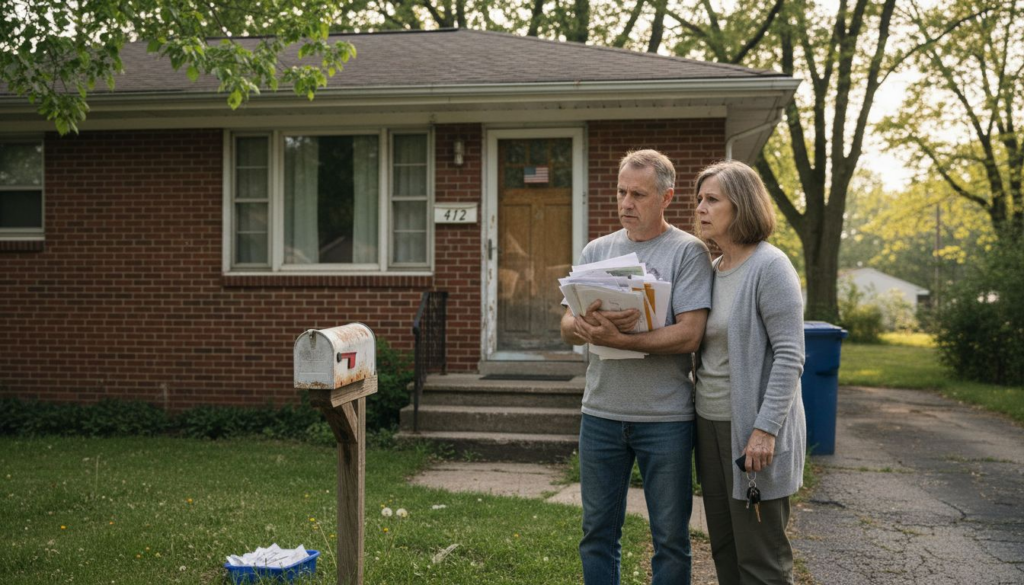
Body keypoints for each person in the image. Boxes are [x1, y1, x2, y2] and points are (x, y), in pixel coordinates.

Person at [560, 149, 713, 585]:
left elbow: (690, 334)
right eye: (621, 192)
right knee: (597, 534)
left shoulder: (688, 252)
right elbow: (565, 325)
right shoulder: (597, 250)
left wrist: (623, 340)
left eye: (638, 195)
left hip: (665, 418)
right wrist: (585, 326)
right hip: (601, 413)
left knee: (669, 538)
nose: (626, 203)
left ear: (666, 197)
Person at [693, 160, 806, 584]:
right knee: (724, 547)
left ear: (740, 205)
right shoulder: (714, 268)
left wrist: (765, 429)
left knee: (761, 559)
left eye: (712, 199)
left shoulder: (770, 267)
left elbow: (791, 355)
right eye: (699, 199)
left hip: (753, 433)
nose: (701, 208)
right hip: (709, 425)